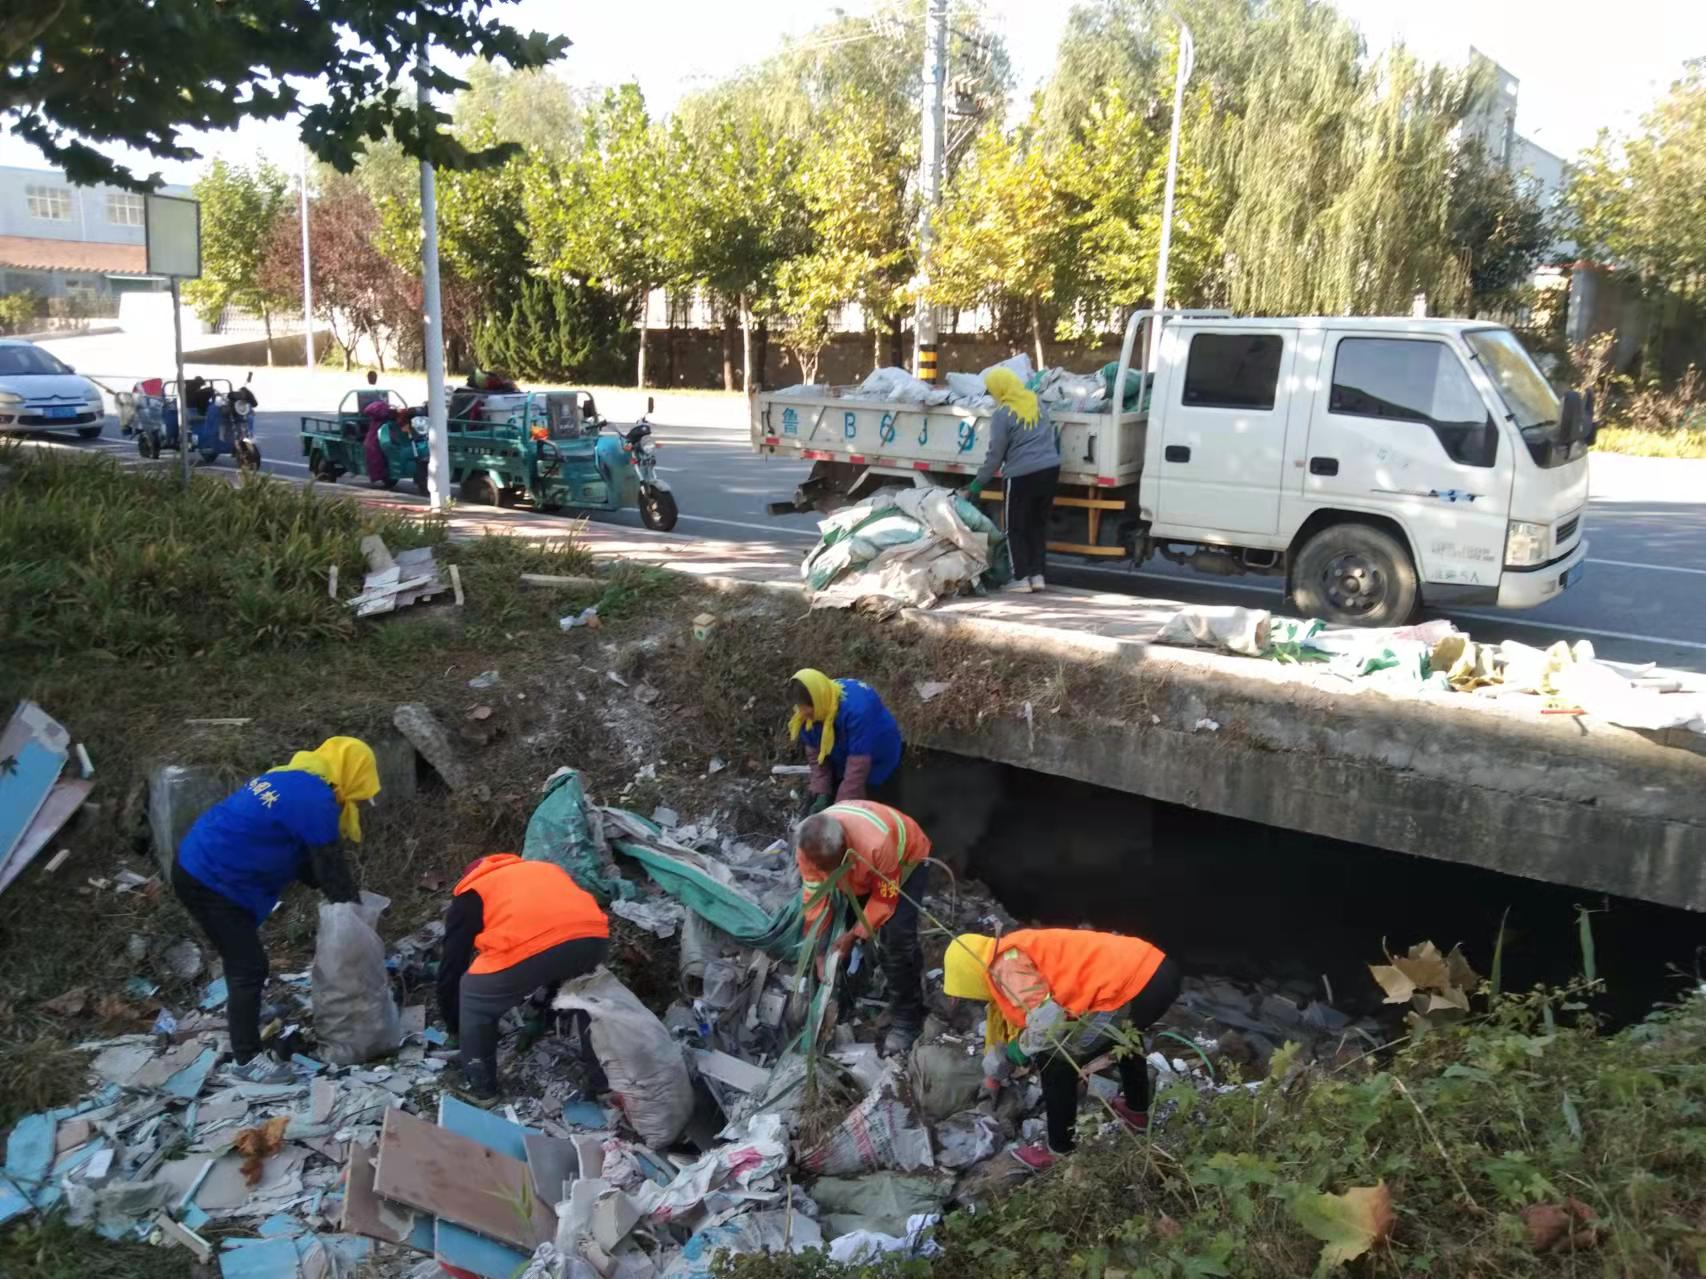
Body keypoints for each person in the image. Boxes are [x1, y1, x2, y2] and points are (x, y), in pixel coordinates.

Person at [172, 737, 381, 1083]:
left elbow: (304, 861)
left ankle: (249, 1013)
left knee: (244, 960)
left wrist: (342, 897)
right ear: (352, 773)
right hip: (209, 878)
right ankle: (247, 1059)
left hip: (202, 862)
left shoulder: (295, 778)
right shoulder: (317, 801)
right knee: (248, 965)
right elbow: (328, 867)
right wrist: (352, 914)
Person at [942, 927, 1182, 1171]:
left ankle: (1059, 1150)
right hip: (1155, 969)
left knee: (1055, 1060)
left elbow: (1048, 1025)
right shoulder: (1015, 946)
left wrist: (1019, 1050)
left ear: (970, 973)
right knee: (1123, 1036)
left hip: (1134, 987)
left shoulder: (1006, 967)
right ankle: (1137, 1111)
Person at [437, 854, 609, 1103]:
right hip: (594, 936)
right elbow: (557, 951)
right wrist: (542, 1016)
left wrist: (455, 1026)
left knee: (474, 994)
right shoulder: (544, 870)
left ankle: (481, 1088)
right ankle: (604, 1084)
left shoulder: (473, 889)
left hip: (537, 943)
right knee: (584, 998)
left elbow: (452, 968)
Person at [796, 802, 931, 1056]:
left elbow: (884, 901)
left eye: (830, 867)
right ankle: (851, 992)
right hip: (859, 873)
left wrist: (854, 935)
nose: (825, 874)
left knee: (896, 938)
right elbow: (814, 899)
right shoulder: (808, 849)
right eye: (821, 869)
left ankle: (907, 1019)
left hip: (904, 863)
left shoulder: (877, 845)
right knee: (852, 928)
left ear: (844, 849)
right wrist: (820, 952)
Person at [966, 367, 1061, 593]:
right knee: (1037, 525)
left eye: (992, 391)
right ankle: (1037, 576)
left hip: (1021, 475)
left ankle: (1019, 578)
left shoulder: (1003, 414)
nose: (992, 395)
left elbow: (996, 453)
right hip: (1050, 470)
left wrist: (979, 482)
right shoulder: (1036, 402)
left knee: (1014, 528)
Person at [788, 668, 903, 816]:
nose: (802, 713)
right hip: (841, 754)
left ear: (817, 699)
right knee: (824, 804)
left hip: (875, 758)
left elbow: (858, 766)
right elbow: (816, 755)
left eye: (806, 708)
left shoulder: (858, 710)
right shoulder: (806, 714)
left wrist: (840, 808)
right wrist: (822, 790)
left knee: (870, 813)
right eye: (800, 708)